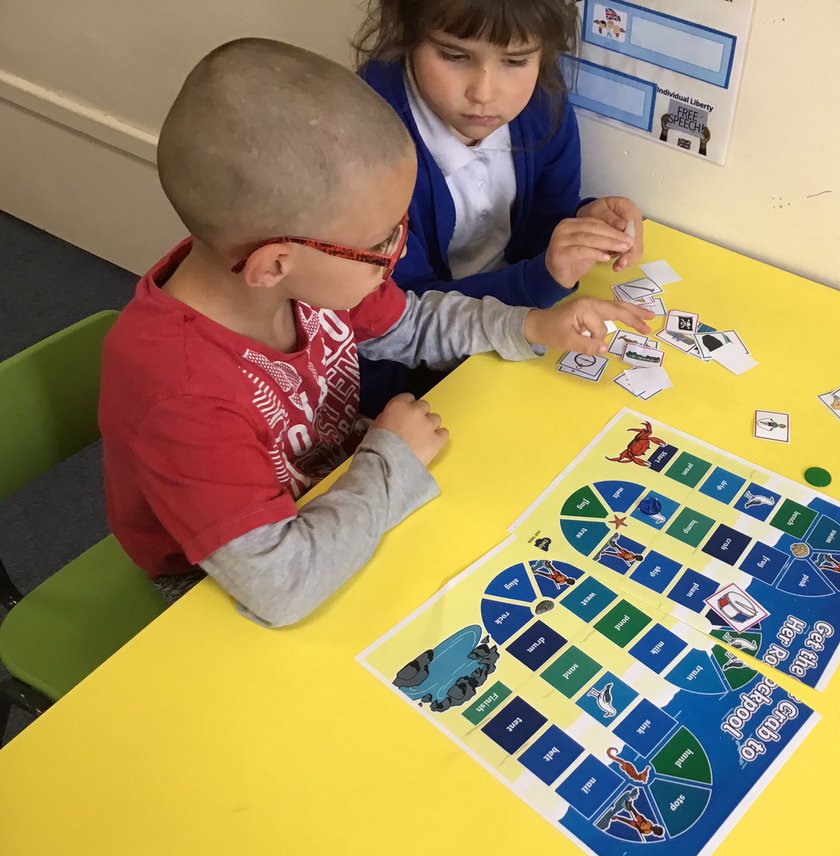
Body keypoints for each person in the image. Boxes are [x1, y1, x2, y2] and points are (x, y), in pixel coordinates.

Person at [99, 38, 652, 627]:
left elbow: (411, 323)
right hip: (220, 583)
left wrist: (532, 324)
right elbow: (280, 585)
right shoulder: (182, 392)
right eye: (380, 244)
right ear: (275, 265)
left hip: (340, 487)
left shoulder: (291, 275)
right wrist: (388, 462)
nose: (401, 251)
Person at [354, 0, 645, 412]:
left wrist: (584, 222)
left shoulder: (544, 105)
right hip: (405, 386)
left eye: (515, 61)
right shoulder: (366, 138)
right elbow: (400, 320)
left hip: (513, 337)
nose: (483, 94)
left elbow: (543, 224)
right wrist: (543, 277)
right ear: (409, 35)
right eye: (454, 56)